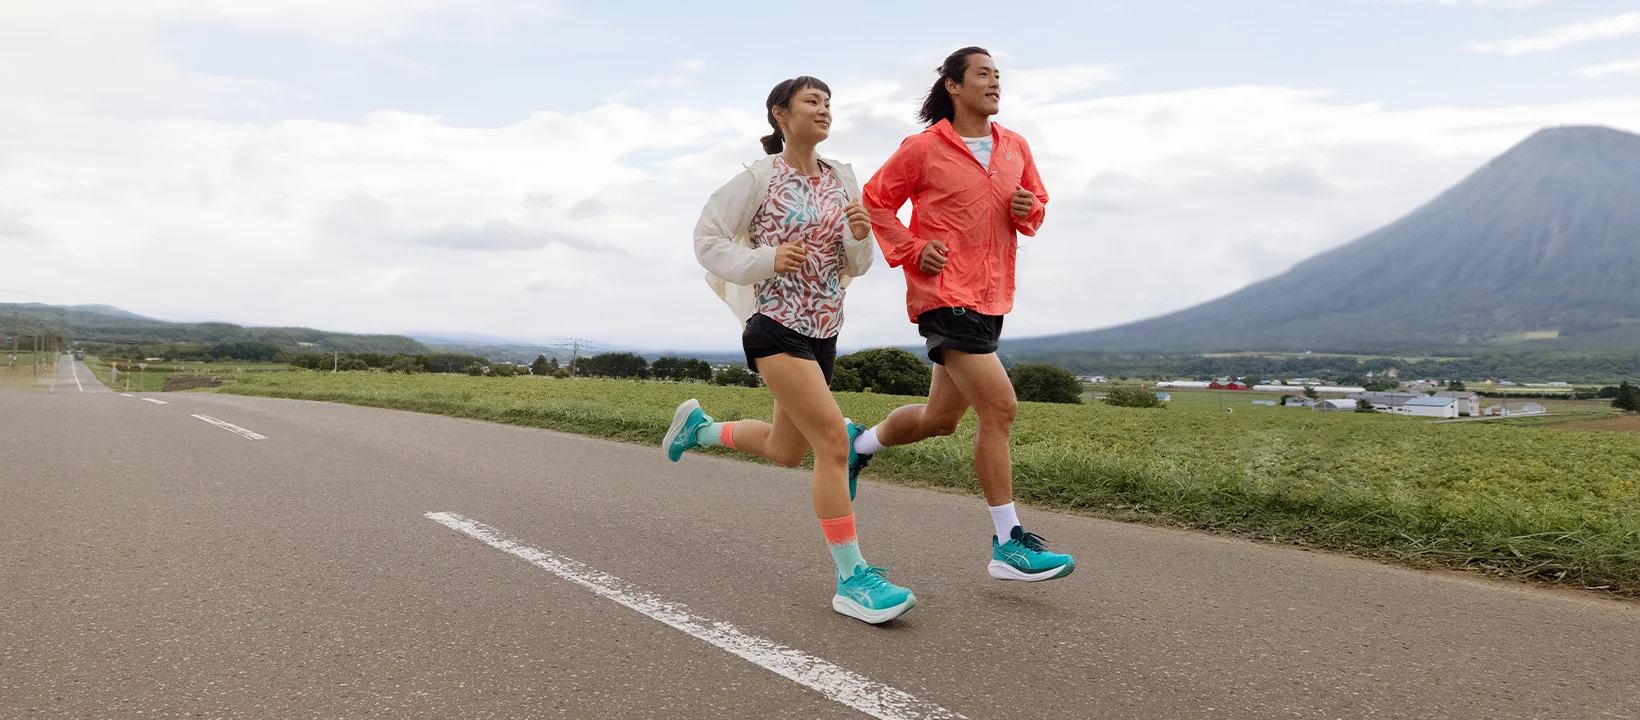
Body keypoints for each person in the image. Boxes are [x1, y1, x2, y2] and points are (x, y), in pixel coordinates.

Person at [662, 76, 916, 624]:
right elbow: (707, 240)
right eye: (812, 102)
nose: (824, 110)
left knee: (786, 449)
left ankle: (700, 429)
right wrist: (764, 260)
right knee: (833, 444)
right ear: (780, 114)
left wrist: (859, 235)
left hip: (824, 330)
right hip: (774, 326)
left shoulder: (841, 178)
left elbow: (857, 265)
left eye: (829, 102)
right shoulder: (758, 177)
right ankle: (852, 579)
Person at [853, 46, 1074, 582]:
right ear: (954, 85)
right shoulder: (924, 148)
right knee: (1000, 409)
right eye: (983, 74)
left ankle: (856, 445)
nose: (995, 82)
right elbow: (875, 200)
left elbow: (1036, 203)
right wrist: (910, 249)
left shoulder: (1015, 146)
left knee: (940, 420)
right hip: (943, 294)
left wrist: (1029, 209)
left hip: (992, 295)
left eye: (999, 75)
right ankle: (1007, 543)